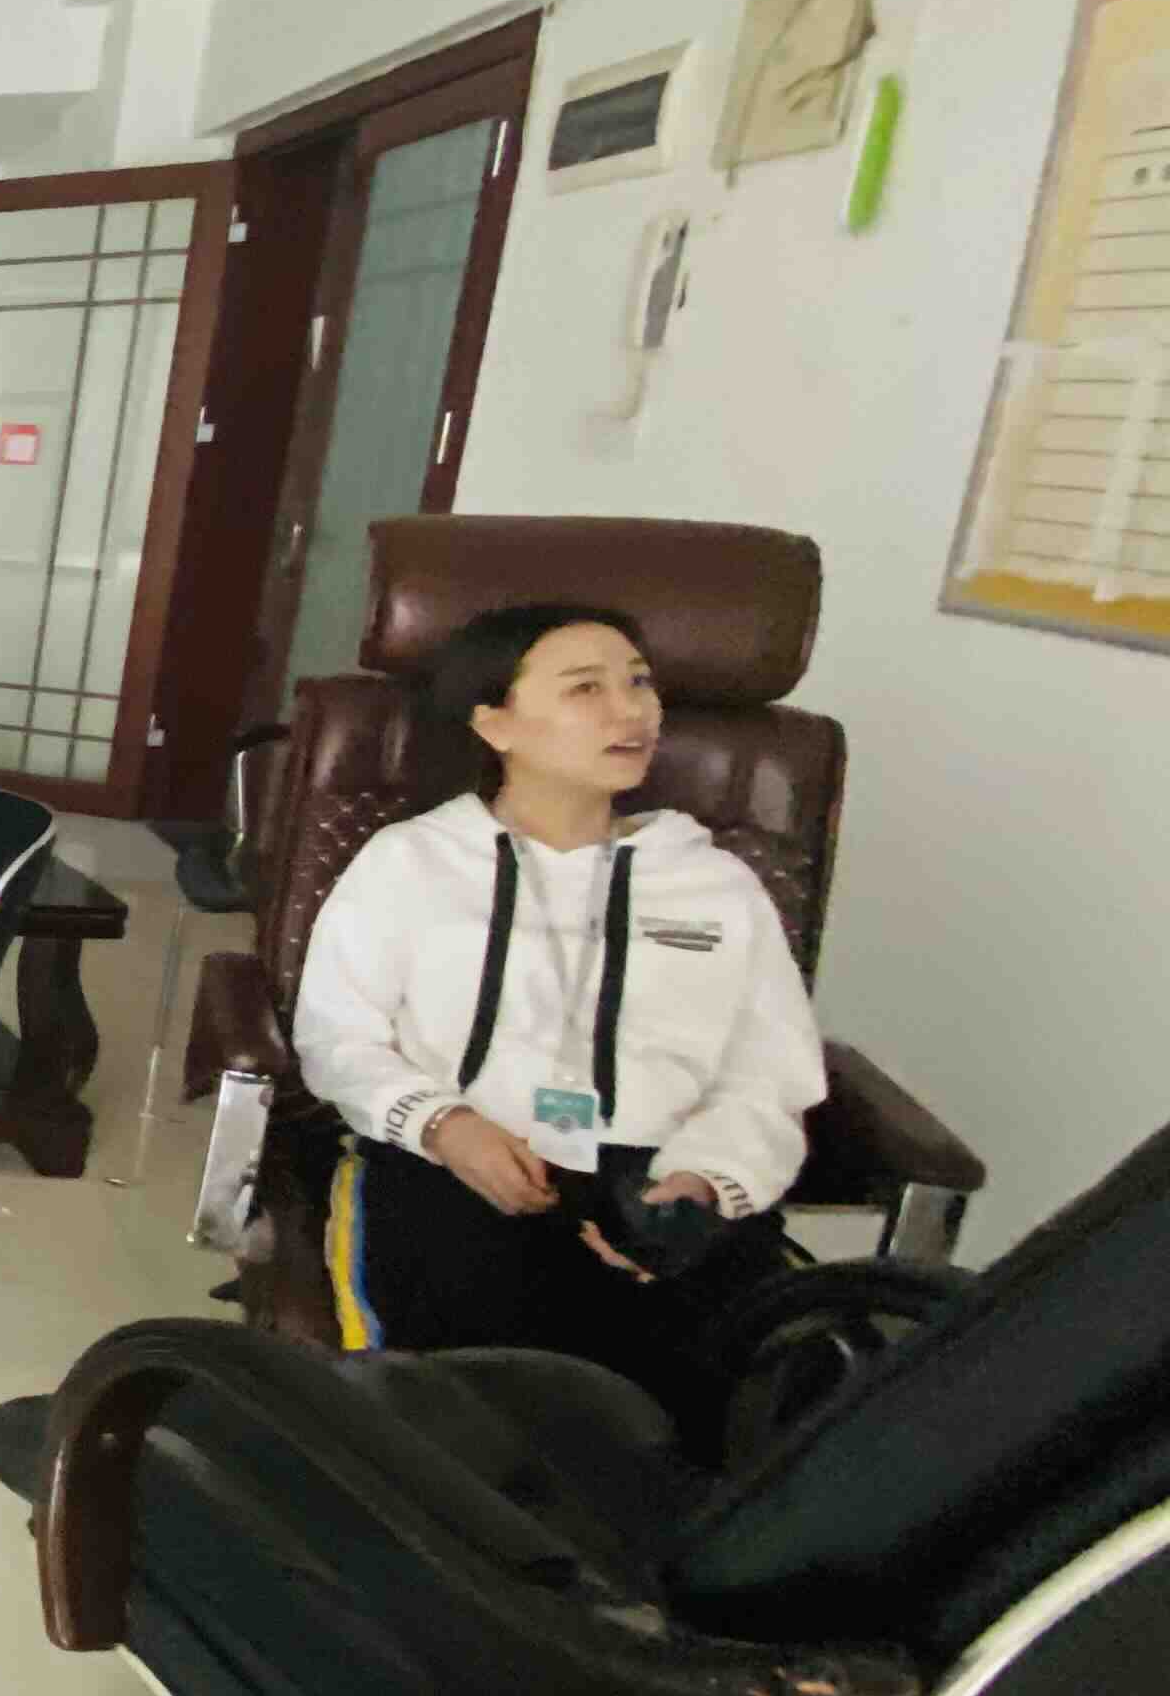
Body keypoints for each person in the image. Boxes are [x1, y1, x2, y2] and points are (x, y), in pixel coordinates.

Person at [293, 600, 822, 1451]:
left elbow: (767, 1075)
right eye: (586, 689)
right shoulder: (412, 864)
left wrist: (704, 1182)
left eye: (639, 684)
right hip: (454, 1165)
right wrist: (445, 1126)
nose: (632, 711)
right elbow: (337, 1038)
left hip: (664, 1182)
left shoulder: (718, 887)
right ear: (494, 723)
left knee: (743, 1422)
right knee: (465, 1419)